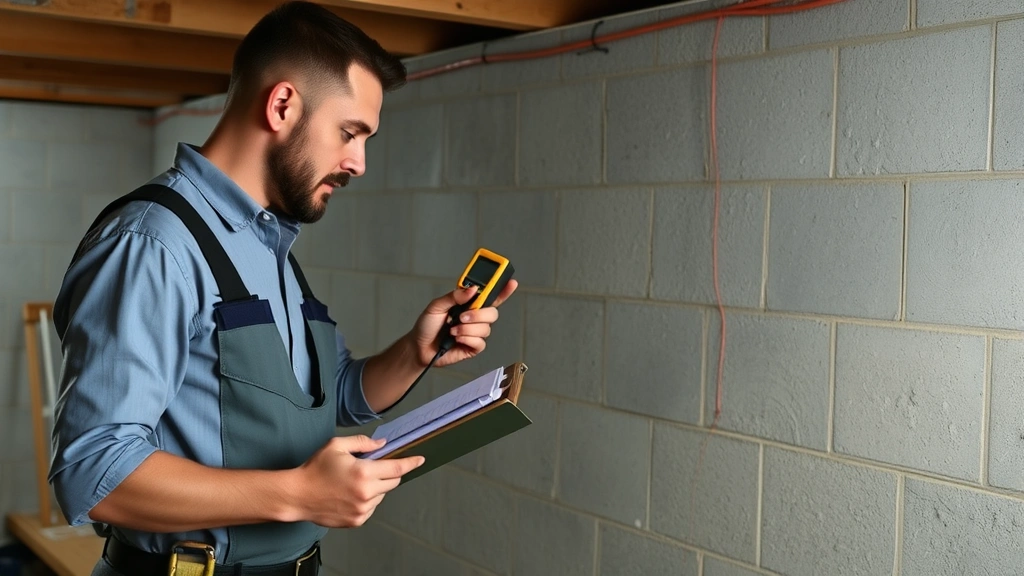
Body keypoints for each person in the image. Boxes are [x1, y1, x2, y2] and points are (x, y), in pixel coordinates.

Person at [48, 2, 517, 575]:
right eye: (350, 132)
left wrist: (418, 349)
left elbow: (333, 397)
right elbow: (93, 472)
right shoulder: (155, 244)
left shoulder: (267, 246)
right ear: (282, 105)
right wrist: (297, 493)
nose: (359, 162)